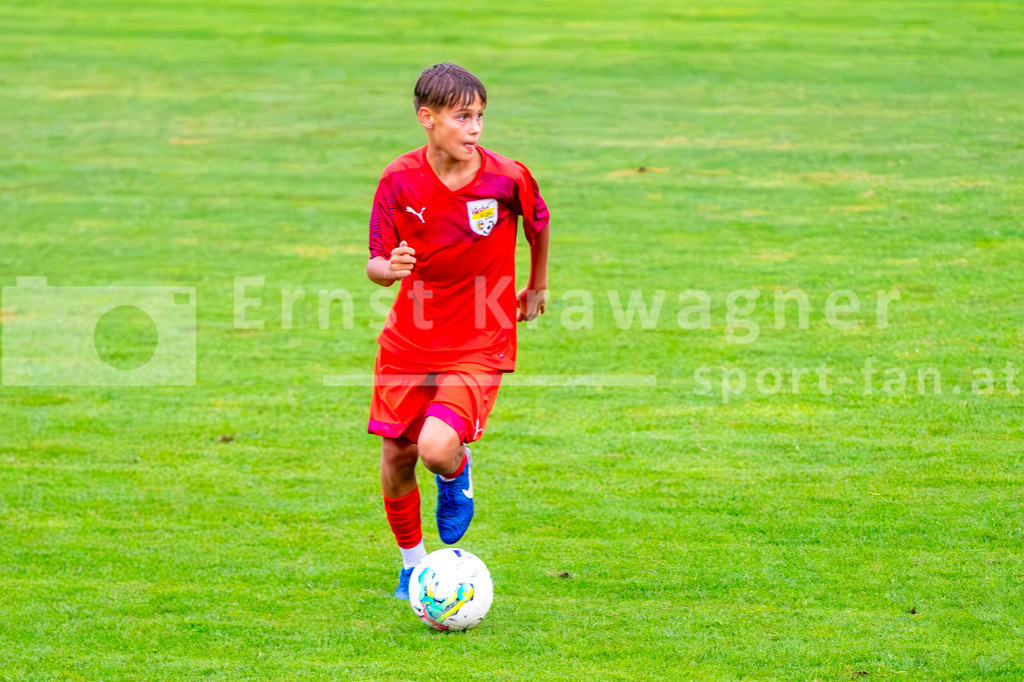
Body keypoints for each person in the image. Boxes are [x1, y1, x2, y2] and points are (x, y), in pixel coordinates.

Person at [365, 62, 550, 599]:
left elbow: (538, 224)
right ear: (428, 119)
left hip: (480, 335)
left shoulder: (507, 177)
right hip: (411, 336)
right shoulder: (398, 178)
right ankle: (412, 565)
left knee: (435, 447)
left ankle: (456, 471)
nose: (474, 129)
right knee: (397, 455)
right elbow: (375, 264)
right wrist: (389, 269)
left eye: (480, 117)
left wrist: (535, 286)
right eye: (462, 117)